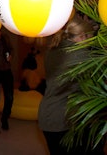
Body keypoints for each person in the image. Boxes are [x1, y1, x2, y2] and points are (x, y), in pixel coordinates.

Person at [38, 14, 104, 155]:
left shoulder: (53, 49)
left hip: (48, 114)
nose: (91, 42)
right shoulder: (81, 55)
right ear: (82, 37)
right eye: (90, 38)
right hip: (62, 121)